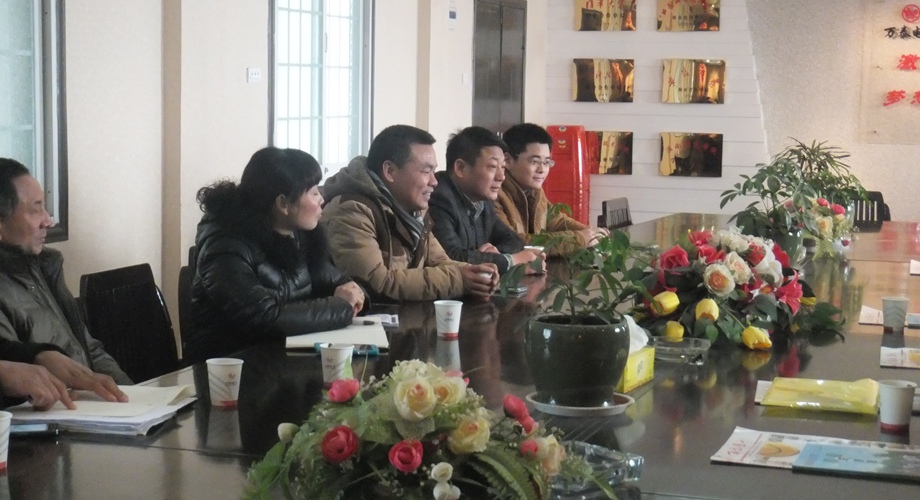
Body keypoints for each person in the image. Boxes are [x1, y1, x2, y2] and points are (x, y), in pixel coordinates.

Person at [186, 148, 366, 363]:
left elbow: (337, 282)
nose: (322, 198)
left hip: (282, 359)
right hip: (230, 367)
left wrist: (353, 294)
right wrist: (341, 307)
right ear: (283, 204)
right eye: (313, 192)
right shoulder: (225, 247)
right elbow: (263, 317)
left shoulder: (298, 234)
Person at [322, 124, 497, 302]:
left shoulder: (414, 211)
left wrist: (476, 274)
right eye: (426, 171)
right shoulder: (352, 210)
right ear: (390, 171)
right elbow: (376, 285)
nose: (434, 181)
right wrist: (460, 280)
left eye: (434, 171)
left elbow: (440, 262)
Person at [0, 158, 133, 390]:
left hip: (93, 404)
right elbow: (20, 387)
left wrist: (131, 395)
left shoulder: (45, 268)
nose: (48, 220)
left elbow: (88, 350)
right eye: (35, 209)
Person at [428, 126, 542, 275]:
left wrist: (493, 255)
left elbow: (514, 241)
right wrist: (512, 260)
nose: (501, 177)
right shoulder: (438, 197)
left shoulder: (482, 201)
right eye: (492, 167)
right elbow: (452, 257)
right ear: (460, 168)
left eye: (503, 167)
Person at [495, 123, 609, 256]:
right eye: (534, 161)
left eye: (546, 162)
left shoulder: (535, 191)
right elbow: (515, 243)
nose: (542, 170)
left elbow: (557, 221)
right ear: (508, 161)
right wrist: (580, 239)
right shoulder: (494, 195)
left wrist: (592, 234)